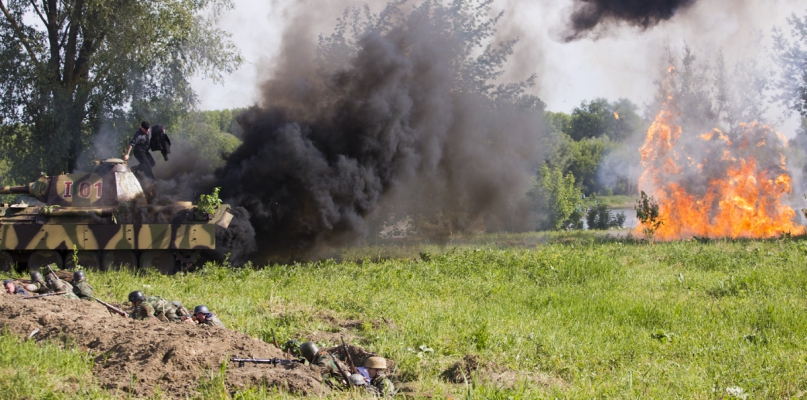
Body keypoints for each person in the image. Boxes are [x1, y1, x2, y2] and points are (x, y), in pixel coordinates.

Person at [128, 290, 193, 323]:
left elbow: (150, 315)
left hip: (168, 312)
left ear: (136, 301)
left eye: (132, 303)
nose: (133, 305)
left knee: (174, 321)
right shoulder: (148, 299)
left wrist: (131, 316)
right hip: (170, 308)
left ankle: (186, 318)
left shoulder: (143, 303)